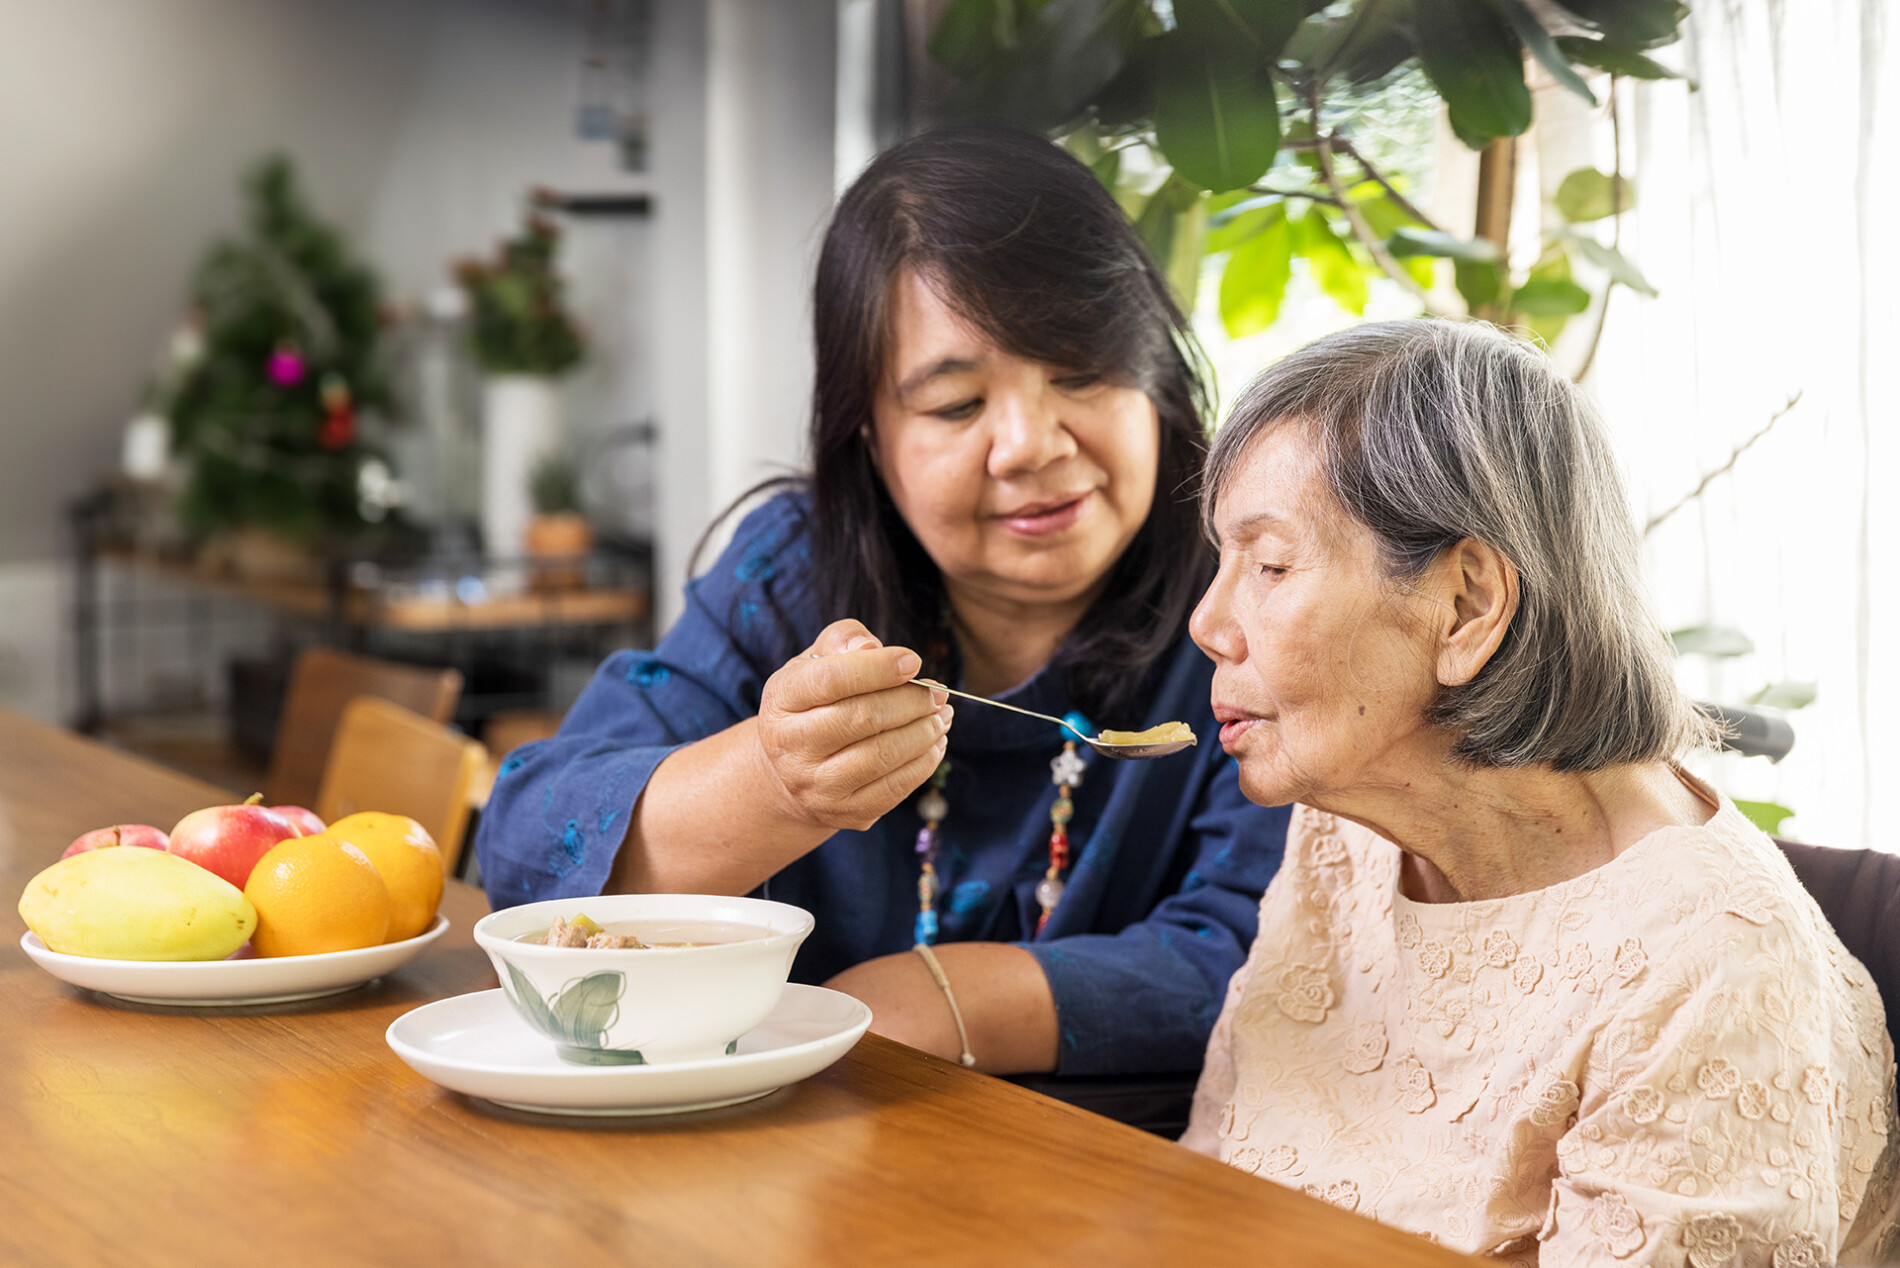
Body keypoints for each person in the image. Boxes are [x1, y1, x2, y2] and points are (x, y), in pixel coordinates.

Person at [474, 126, 1289, 1078]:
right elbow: (529, 854)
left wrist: (937, 1000)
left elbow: (1270, 948)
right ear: (867, 433)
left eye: (1081, 371)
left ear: (1156, 376)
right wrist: (774, 782)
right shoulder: (792, 574)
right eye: (955, 406)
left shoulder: (1255, 599)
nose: (1029, 443)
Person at [1181, 319, 1898, 1264]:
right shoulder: (1344, 839)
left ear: (1468, 606)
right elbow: (1207, 1188)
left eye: (1270, 566)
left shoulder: (1713, 968)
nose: (1207, 622)